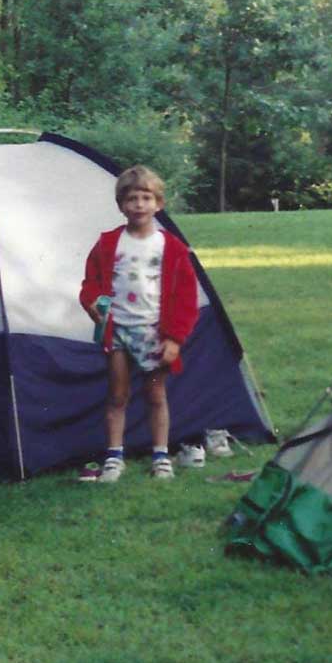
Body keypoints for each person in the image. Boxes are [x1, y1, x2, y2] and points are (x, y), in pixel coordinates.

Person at [78, 165, 199, 482]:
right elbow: (91, 283)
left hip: (154, 333)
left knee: (156, 396)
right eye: (132, 198)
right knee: (117, 396)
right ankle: (114, 456)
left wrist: (174, 339)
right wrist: (92, 304)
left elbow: (187, 297)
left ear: (159, 203)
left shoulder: (171, 247)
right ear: (121, 205)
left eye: (146, 197)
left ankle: (161, 455)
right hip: (117, 331)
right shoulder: (108, 243)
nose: (139, 205)